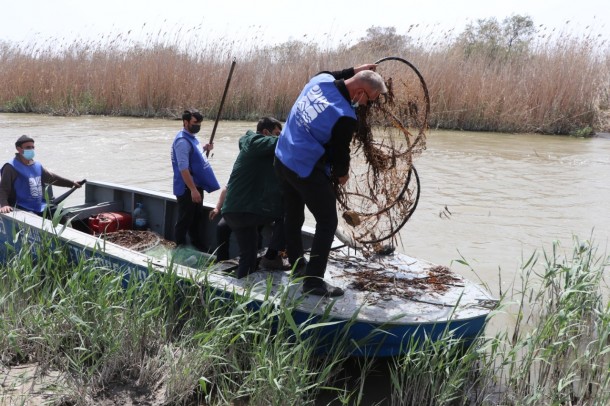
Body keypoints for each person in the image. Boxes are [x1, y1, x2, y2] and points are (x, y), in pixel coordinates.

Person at [274, 64, 387, 297]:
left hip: (282, 158)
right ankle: (313, 282)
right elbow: (340, 152)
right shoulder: (345, 115)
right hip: (304, 168)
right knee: (327, 222)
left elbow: (336, 75)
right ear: (359, 93)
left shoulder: (319, 81)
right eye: (371, 99)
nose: (368, 105)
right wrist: (342, 174)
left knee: (293, 215)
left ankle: (298, 266)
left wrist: (357, 68)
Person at [221, 117, 287, 279]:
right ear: (265, 132)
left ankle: (241, 290)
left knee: (248, 256)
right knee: (289, 213)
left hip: (236, 211)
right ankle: (271, 256)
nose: (279, 137)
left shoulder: (257, 152)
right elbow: (286, 143)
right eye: (277, 134)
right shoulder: (255, 142)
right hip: (245, 210)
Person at [171, 110, 220, 250]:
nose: (197, 126)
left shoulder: (191, 137)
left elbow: (193, 157)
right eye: (194, 123)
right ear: (186, 122)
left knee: (196, 218)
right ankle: (179, 246)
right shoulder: (182, 141)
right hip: (187, 187)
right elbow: (183, 168)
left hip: (196, 186)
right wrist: (193, 190)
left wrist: (204, 148)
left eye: (199, 123)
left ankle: (196, 244)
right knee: (185, 220)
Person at [0, 135, 82, 215]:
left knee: (62, 214)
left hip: (40, 206)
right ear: (19, 149)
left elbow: (51, 178)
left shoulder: (37, 165)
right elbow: (4, 188)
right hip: (21, 207)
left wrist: (71, 183)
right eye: (28, 147)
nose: (31, 149)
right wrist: (4, 204)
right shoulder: (10, 167)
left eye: (33, 147)